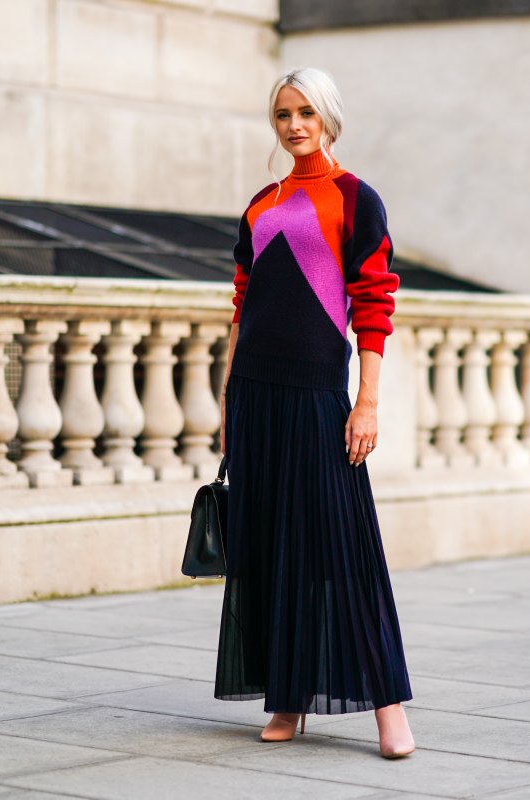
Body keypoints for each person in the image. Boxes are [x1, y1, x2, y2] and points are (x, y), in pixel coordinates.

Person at [213, 65, 416, 759]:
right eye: (282, 114)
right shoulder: (261, 203)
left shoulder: (356, 199)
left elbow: (374, 306)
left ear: (327, 116)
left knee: (342, 548)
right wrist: (226, 398)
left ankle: (389, 707)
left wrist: (367, 403)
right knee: (269, 542)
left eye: (304, 112)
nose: (293, 125)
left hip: (319, 395)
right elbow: (242, 303)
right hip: (256, 394)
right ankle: (289, 698)